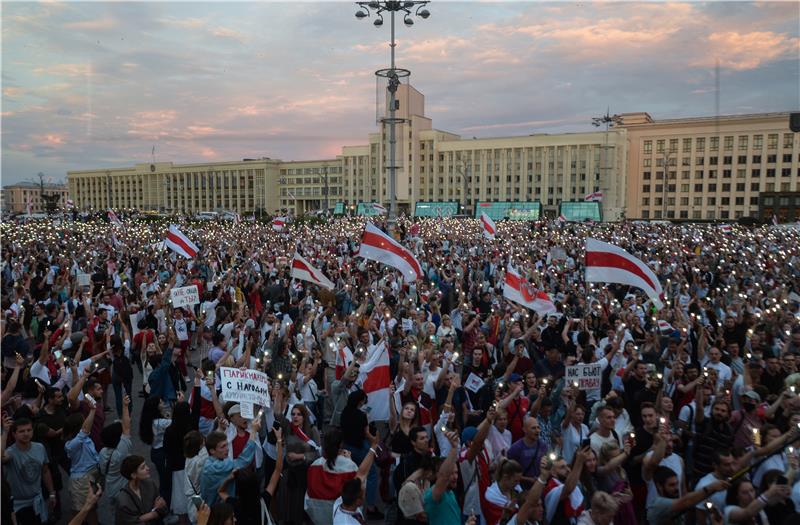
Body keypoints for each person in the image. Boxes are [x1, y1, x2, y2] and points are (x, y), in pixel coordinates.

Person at [1, 415, 56, 525]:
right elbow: (1, 457)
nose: (26, 433)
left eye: (29, 430)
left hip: (37, 501)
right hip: (18, 506)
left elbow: (45, 471)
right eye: (21, 431)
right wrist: (5, 432)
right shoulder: (10, 452)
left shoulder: (39, 448)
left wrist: (51, 493)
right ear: (14, 434)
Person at [646, 466, 729, 525]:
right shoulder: (657, 504)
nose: (676, 488)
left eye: (677, 484)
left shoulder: (678, 501)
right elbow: (686, 501)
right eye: (671, 485)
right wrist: (712, 487)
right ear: (659, 486)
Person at [96, 394, 133, 524]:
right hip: (122, 489)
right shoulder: (120, 452)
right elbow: (127, 427)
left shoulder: (102, 452)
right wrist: (125, 406)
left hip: (110, 489)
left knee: (112, 514)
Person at [115, 455, 168, 524]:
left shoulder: (150, 484)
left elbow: (162, 507)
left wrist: (143, 518)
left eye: (146, 465)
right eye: (143, 467)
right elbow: (130, 522)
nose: (148, 468)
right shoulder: (123, 499)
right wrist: (154, 513)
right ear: (133, 475)